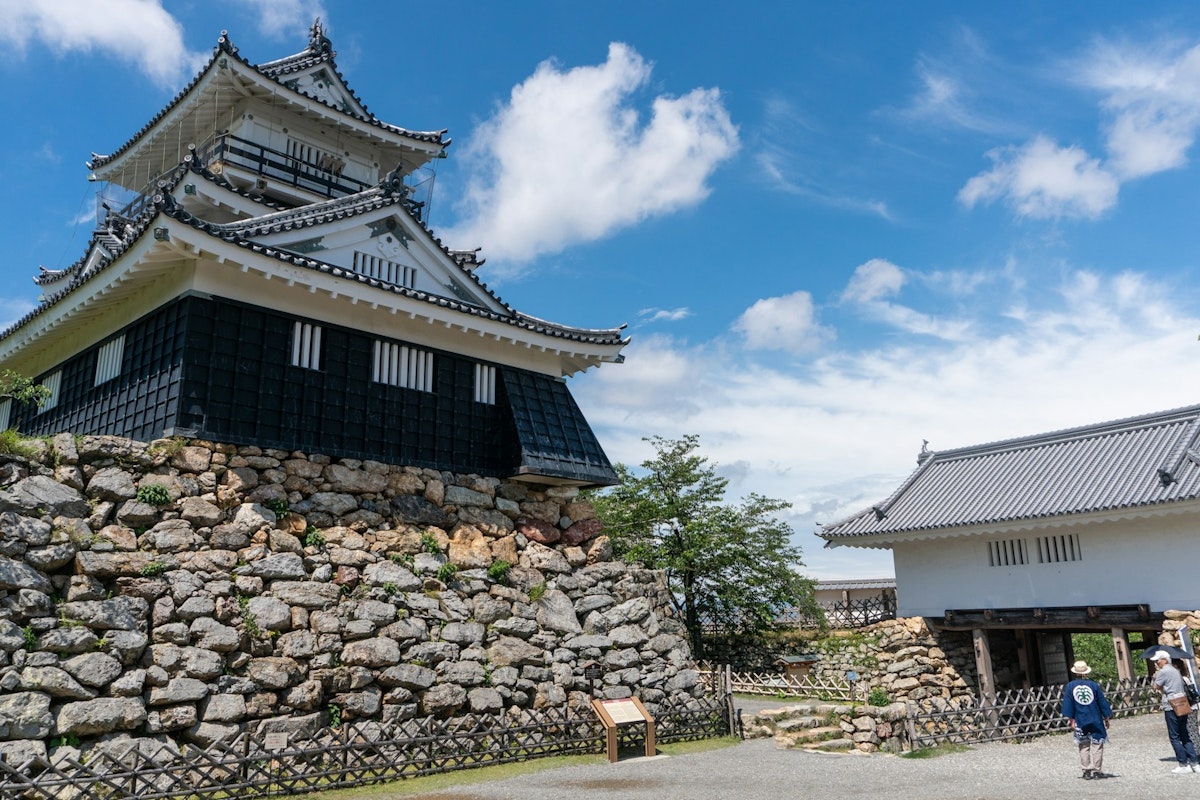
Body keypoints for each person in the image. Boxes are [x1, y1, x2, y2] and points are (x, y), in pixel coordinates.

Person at [1062, 659, 1112, 779]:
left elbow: (1069, 705)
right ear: (1086, 672)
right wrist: (1106, 717)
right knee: (1097, 744)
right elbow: (1101, 702)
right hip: (1095, 718)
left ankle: (1086, 770)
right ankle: (1097, 771)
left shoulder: (1070, 686)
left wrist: (1072, 720)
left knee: (1083, 745)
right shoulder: (1093, 685)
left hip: (1080, 719)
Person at [1152, 650, 1199, 774]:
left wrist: (1156, 677)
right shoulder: (1175, 671)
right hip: (1182, 702)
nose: (1157, 662)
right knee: (1184, 733)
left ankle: (1183, 763)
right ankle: (1194, 762)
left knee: (1174, 736)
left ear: (1165, 660)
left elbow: (1155, 687)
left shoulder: (1163, 672)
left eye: (1158, 660)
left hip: (1171, 704)